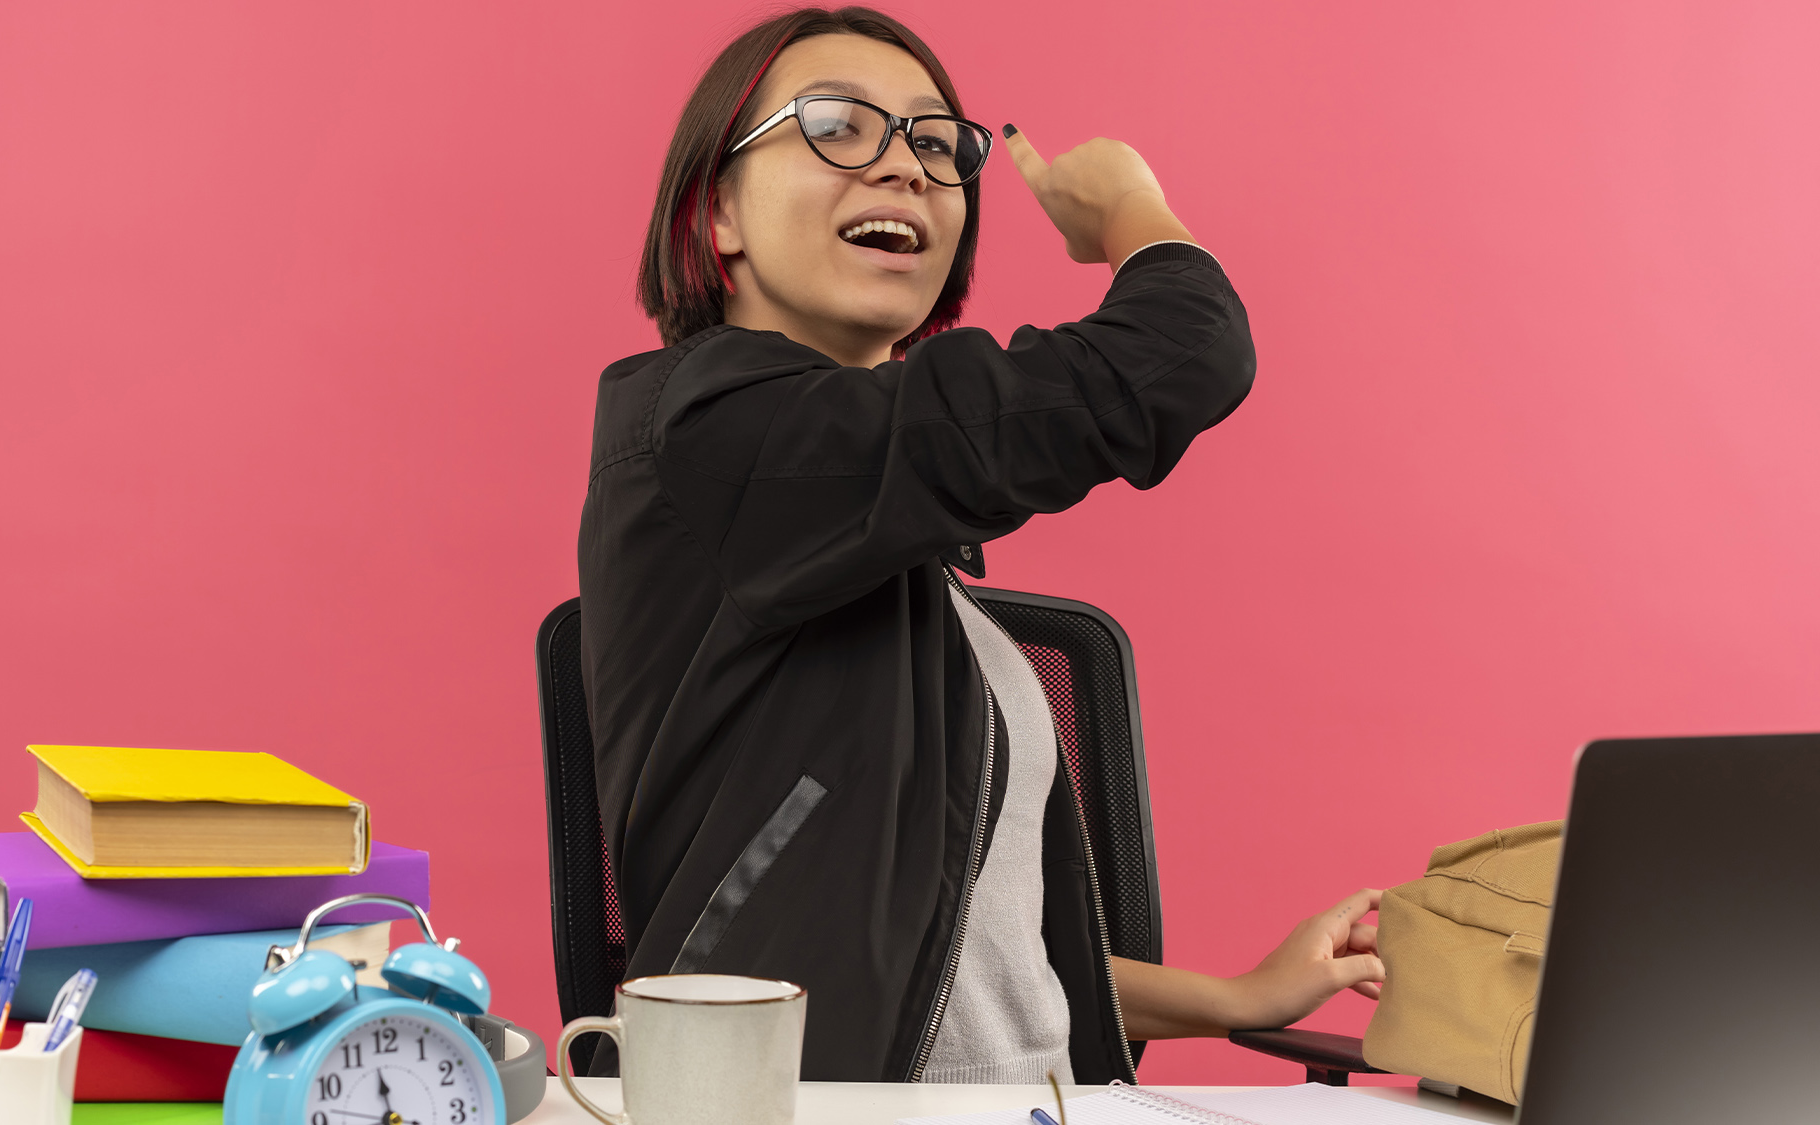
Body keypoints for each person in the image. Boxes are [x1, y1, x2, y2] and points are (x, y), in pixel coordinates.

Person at [576, 6, 1383, 1084]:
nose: (904, 166)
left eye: (933, 141)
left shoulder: (889, 560)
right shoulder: (719, 435)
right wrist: (1129, 210)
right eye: (836, 125)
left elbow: (967, 959)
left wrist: (1237, 996)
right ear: (715, 209)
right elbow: (1184, 350)